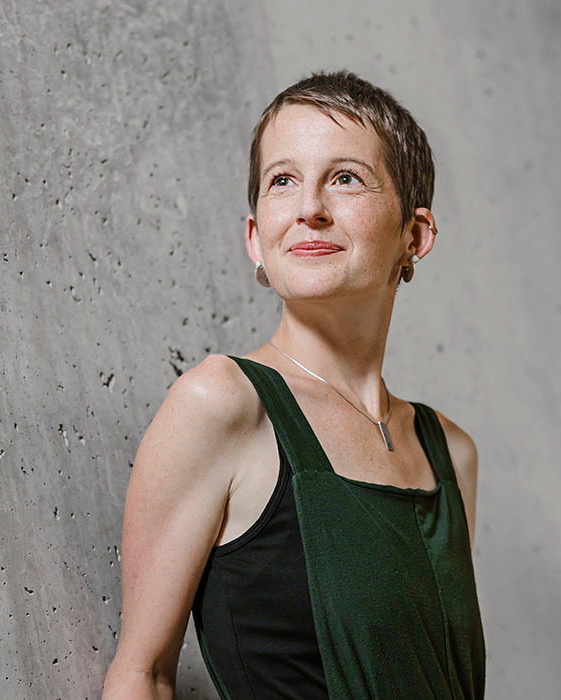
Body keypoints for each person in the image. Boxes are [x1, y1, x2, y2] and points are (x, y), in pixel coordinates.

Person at [101, 69, 485, 699]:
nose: (310, 208)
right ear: (256, 236)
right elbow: (141, 675)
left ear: (413, 236)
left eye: (345, 178)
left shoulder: (451, 453)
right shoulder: (222, 403)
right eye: (282, 181)